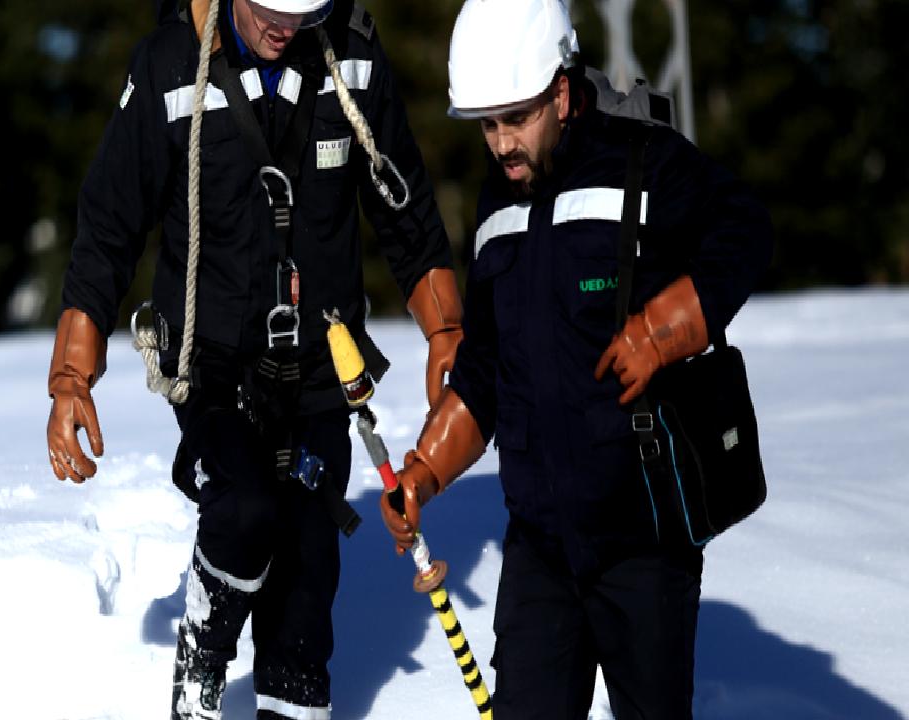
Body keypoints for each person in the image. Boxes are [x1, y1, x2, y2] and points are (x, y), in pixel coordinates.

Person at [45, 0, 462, 717]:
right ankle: (202, 665)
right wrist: (71, 372)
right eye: (271, 8)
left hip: (323, 366)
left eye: (304, 9)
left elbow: (406, 208)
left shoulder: (352, 57)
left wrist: (446, 328)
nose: (285, 25)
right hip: (211, 365)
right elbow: (110, 220)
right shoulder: (171, 64)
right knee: (243, 511)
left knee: (304, 592)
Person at [379, 0, 773, 717]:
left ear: (561, 93)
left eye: (516, 118)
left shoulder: (644, 161)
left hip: (644, 539)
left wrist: (663, 330)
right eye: (487, 125)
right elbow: (484, 371)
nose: (500, 144)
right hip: (539, 547)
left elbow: (745, 229)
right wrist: (426, 470)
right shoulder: (497, 211)